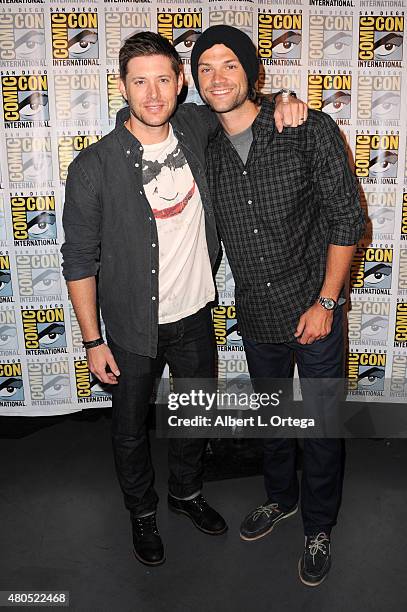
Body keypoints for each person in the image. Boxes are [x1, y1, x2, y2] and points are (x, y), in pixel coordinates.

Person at [61, 31, 307, 567]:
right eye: (139, 81)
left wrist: (285, 99)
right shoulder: (93, 167)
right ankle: (142, 512)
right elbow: (79, 260)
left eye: (164, 79)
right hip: (128, 327)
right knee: (130, 430)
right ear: (122, 87)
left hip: (194, 314)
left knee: (194, 416)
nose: (153, 94)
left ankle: (185, 492)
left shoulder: (198, 127)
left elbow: (243, 103)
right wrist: (91, 339)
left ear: (181, 84)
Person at [190, 25, 365, 586]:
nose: (217, 78)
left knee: (318, 428)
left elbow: (348, 222)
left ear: (253, 73)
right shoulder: (205, 146)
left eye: (229, 66)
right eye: (205, 69)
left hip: (315, 312)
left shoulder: (306, 129)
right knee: (271, 420)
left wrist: (327, 302)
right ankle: (280, 499)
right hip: (258, 316)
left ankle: (318, 524)